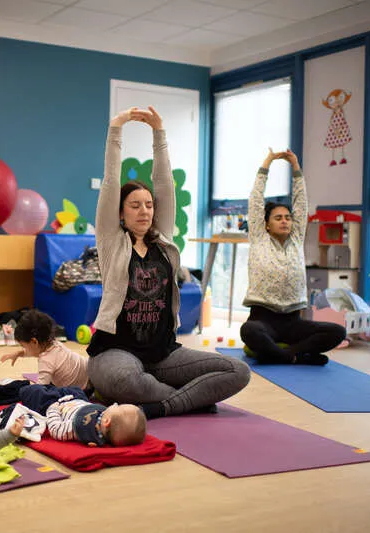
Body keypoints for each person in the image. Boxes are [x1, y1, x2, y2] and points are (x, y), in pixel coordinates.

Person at [86, 106, 251, 420]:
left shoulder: (163, 241)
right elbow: (110, 181)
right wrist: (116, 128)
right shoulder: (111, 241)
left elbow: (165, 185)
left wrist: (159, 134)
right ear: (120, 213)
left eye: (148, 205)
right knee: (125, 380)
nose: (144, 211)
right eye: (135, 206)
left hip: (163, 354)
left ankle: (163, 404)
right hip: (115, 352)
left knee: (237, 371)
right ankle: (186, 400)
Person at [239, 148, 346, 365]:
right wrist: (267, 162)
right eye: (278, 218)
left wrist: (296, 167)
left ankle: (286, 355)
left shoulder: (296, 238)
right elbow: (255, 200)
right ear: (266, 224)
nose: (285, 221)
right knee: (249, 331)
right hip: (263, 319)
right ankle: (300, 355)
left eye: (288, 217)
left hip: (293, 321)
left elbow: (301, 202)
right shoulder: (259, 237)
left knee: (337, 332)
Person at [18, 384, 145, 447]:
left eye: (118, 406)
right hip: (76, 400)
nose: (116, 404)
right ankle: (53, 389)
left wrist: (53, 410)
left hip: (57, 407)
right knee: (77, 389)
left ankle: (35, 390)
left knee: (33, 392)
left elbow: (56, 429)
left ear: (106, 421)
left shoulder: (80, 428)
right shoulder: (107, 419)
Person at [0, 309, 89, 390]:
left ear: (34, 342)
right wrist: (19, 353)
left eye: (24, 346)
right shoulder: (55, 344)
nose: (24, 349)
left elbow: (40, 389)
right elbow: (34, 351)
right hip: (90, 371)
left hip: (83, 389)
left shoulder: (46, 361)